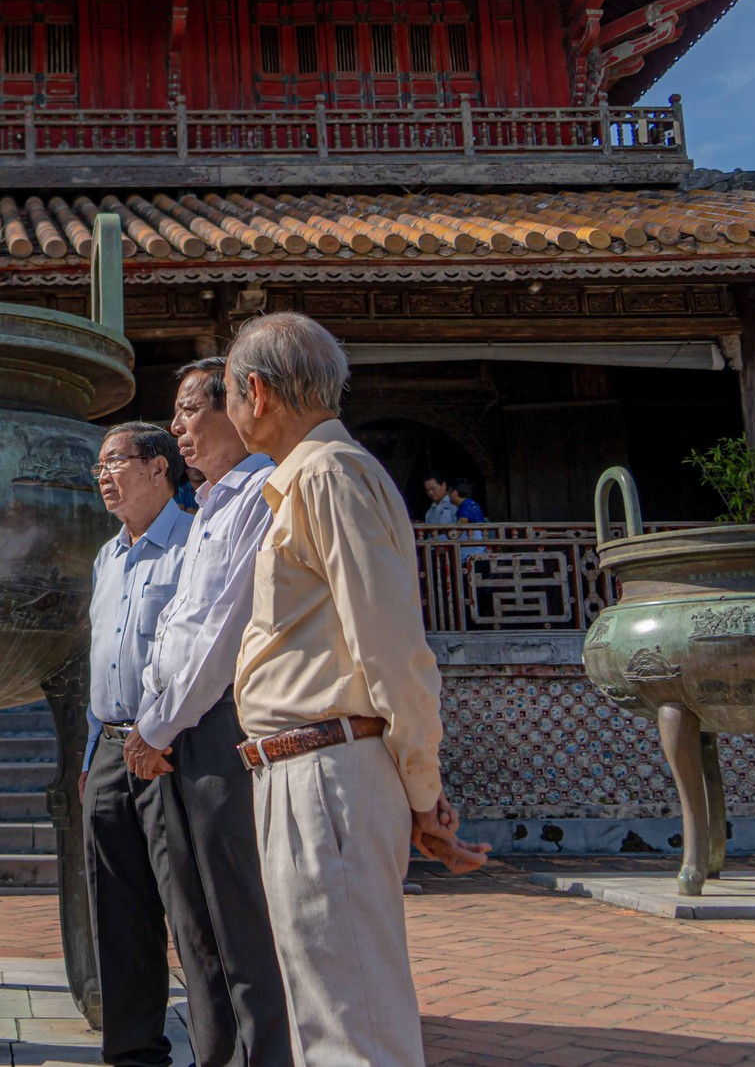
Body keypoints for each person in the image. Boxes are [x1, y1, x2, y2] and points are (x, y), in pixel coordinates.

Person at [224, 312, 489, 1067]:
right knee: (328, 1010)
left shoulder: (329, 473)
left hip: (326, 765)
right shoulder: (310, 476)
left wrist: (420, 787)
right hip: (301, 765)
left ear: (256, 391)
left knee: (351, 1023)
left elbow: (392, 646)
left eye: (230, 397)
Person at [123, 359, 291, 1067]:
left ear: (237, 407)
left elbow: (222, 631)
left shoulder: (259, 494)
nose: (178, 425)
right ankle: (216, 1051)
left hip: (218, 720)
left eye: (191, 408)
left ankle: (264, 1054)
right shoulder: (209, 505)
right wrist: (154, 723)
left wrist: (156, 726)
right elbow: (177, 629)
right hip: (172, 728)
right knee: (193, 915)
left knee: (238, 910)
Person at [83, 422, 196, 1067]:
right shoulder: (108, 556)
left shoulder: (192, 544)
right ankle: (133, 1052)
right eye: (98, 466)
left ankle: (217, 1045)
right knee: (118, 910)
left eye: (116, 461)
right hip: (110, 745)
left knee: (186, 904)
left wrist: (162, 732)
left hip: (170, 744)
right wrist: (88, 755)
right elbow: (98, 661)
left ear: (158, 468)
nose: (104, 475)